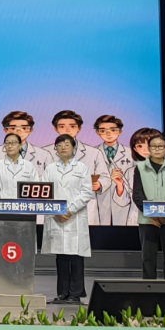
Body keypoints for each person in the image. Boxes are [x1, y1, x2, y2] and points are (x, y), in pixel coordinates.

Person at [43, 135, 95, 304]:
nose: (63, 147)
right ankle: (62, 293)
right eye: (59, 144)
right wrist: (57, 210)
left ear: (74, 148)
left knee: (76, 257)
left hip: (75, 217)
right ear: (55, 149)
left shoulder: (82, 168)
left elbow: (86, 192)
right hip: (57, 217)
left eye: (67, 144)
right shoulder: (50, 168)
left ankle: (75, 293)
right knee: (61, 257)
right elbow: (45, 191)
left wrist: (70, 210)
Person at [132, 134, 165, 279]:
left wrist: (164, 215)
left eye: (160, 146)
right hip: (147, 220)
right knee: (148, 258)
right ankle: (149, 288)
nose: (157, 149)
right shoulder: (140, 168)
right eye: (153, 146)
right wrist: (152, 215)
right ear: (149, 149)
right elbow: (137, 195)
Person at [39, 111, 100, 221]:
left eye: (72, 126)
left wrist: (99, 184)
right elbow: (41, 181)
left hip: (83, 204)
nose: (67, 130)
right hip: (54, 205)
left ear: (79, 128)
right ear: (56, 129)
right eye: (62, 126)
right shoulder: (44, 152)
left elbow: (105, 176)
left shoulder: (94, 152)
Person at [91, 115, 136, 225]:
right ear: (97, 133)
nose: (108, 134)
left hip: (124, 200)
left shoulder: (131, 153)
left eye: (113, 130)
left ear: (120, 132)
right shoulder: (92, 153)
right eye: (103, 130)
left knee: (123, 230)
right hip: (100, 199)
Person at [0, 132, 40, 198]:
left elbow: (35, 187)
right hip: (3, 203)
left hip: (24, 203)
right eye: (7, 143)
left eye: (13, 143)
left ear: (20, 146)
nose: (9, 146)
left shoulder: (29, 165)